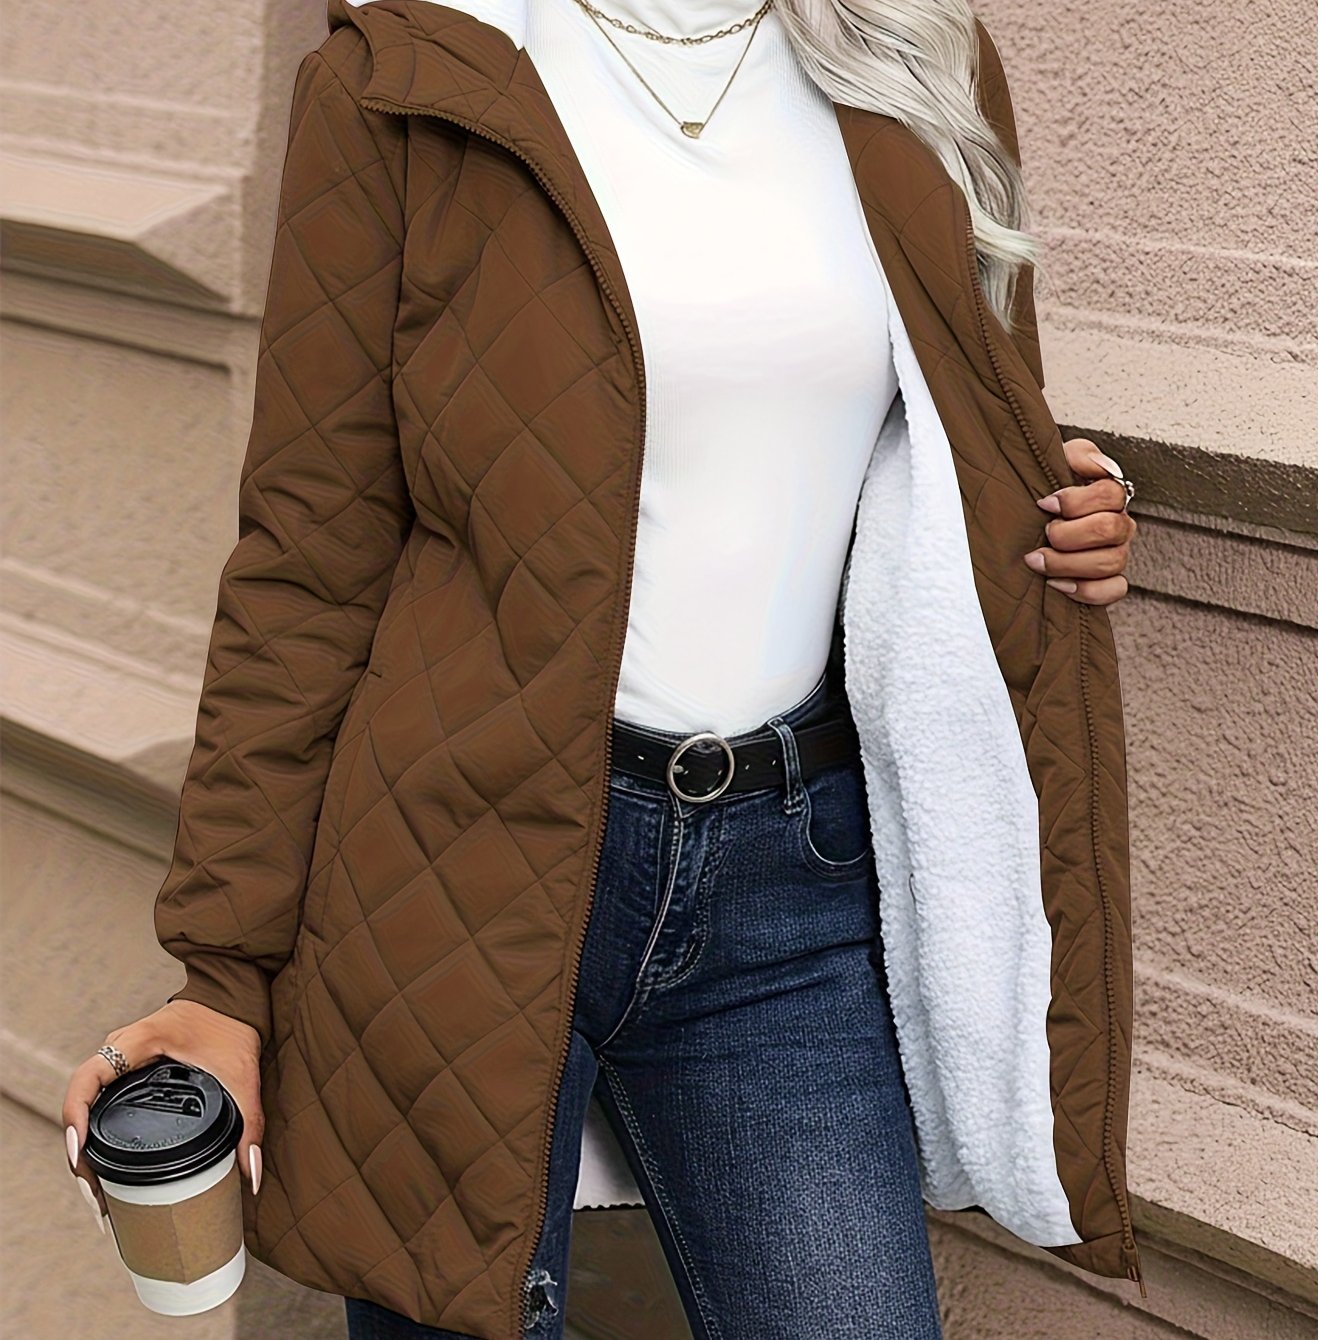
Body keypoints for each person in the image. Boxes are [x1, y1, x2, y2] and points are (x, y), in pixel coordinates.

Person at [62, 0, 1143, 1335]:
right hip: (458, 867)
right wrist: (222, 970)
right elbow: (310, 556)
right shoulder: (409, 69)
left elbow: (954, 432)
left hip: (791, 880)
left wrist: (1067, 516)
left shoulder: (912, 53)